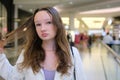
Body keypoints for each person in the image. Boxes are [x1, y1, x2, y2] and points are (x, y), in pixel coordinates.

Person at [0, 7, 86, 80]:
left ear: (57, 24)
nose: (43, 28)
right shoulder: (28, 53)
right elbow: (11, 76)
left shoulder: (72, 53)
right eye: (38, 24)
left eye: (48, 22)